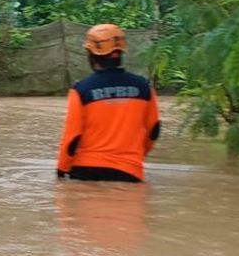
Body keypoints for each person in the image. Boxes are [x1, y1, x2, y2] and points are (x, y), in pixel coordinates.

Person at [56, 23, 161, 183]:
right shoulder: (143, 87)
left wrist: (62, 170)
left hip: (85, 170)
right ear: (120, 52)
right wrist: (135, 157)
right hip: (128, 171)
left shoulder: (81, 89)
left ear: (91, 54)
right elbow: (153, 130)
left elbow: (73, 137)